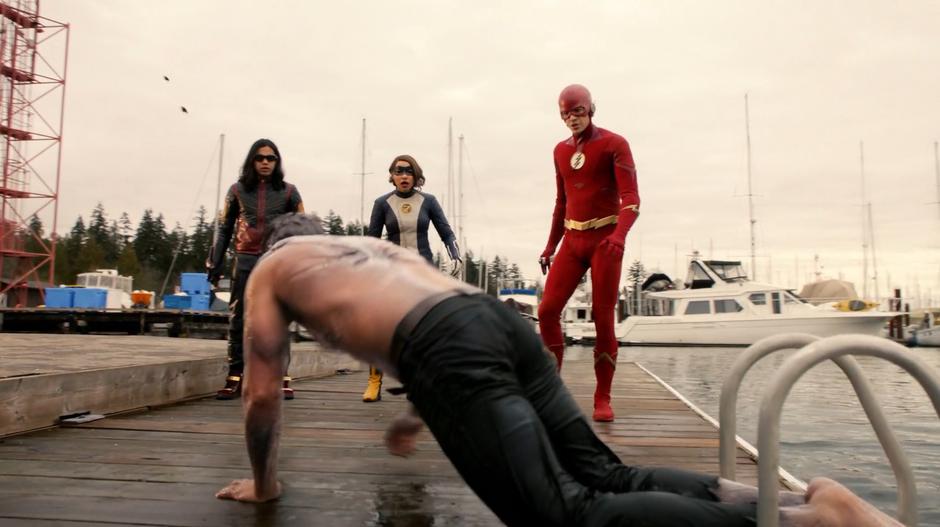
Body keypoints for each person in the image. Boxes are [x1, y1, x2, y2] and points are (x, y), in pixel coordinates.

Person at [216, 213, 902, 527]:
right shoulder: (369, 248)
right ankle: (794, 503)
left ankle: (811, 524)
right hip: (491, 319)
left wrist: (266, 483)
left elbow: (263, 397)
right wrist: (417, 410)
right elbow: (437, 322)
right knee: (608, 473)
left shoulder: (274, 266)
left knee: (564, 513)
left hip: (449, 349)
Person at [537, 84, 640, 422]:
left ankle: (602, 397)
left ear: (590, 108)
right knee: (548, 310)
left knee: (602, 316)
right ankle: (552, 390)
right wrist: (550, 245)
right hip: (572, 238)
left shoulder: (614, 144)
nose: (571, 118)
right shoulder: (559, 150)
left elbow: (632, 201)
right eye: (565, 113)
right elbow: (560, 202)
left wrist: (620, 236)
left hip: (605, 238)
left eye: (577, 111)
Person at [206, 138, 304, 400]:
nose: (265, 162)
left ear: (277, 161)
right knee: (239, 319)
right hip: (245, 260)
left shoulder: (289, 192)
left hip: (277, 261)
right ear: (252, 160)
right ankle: (235, 376)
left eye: (270, 158)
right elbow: (224, 228)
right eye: (260, 158)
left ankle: (281, 376)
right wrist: (214, 262)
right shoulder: (236, 190)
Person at [361, 154, 461, 402]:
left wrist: (456, 256)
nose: (404, 176)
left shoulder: (428, 201)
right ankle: (374, 380)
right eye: (398, 171)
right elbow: (372, 241)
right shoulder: (382, 203)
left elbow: (446, 234)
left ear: (416, 176)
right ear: (392, 176)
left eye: (408, 172)